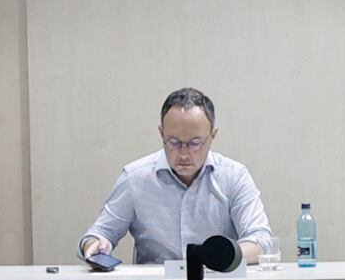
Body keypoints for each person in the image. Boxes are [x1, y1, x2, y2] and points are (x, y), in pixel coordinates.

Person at [81, 87, 273, 268]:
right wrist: (96, 245)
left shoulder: (234, 176)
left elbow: (261, 240)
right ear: (161, 133)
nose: (183, 154)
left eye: (195, 143)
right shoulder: (135, 178)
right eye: (173, 142)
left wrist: (218, 257)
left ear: (213, 136)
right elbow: (98, 234)